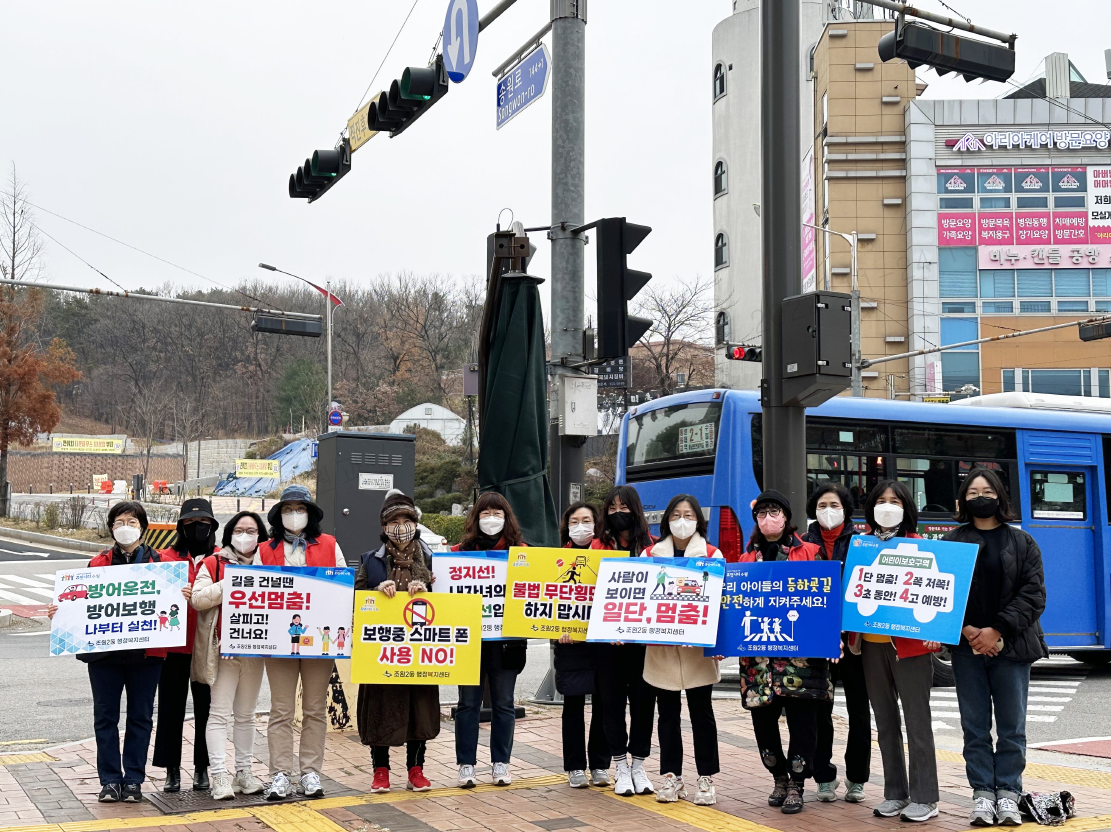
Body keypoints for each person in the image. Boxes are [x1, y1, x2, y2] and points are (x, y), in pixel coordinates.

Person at [943, 468, 1047, 828]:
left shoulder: (1022, 543)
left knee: (1012, 728)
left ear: (1001, 496)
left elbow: (1033, 595)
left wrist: (996, 630)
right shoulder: (952, 541)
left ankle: (1009, 793)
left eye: (986, 490)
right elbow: (941, 595)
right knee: (974, 727)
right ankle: (983, 795)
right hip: (965, 647)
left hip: (1012, 647)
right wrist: (969, 630)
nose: (980, 497)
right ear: (962, 500)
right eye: (972, 492)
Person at [47, 502, 165, 804]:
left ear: (142, 526)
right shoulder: (97, 564)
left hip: (146, 654)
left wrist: (184, 595)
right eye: (118, 522)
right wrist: (60, 613)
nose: (125, 526)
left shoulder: (161, 563)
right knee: (105, 718)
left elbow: (172, 606)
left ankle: (134, 780)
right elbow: (80, 607)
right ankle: (110, 781)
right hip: (104, 656)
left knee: (141, 718)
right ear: (111, 527)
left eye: (132, 521)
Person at [738, 490, 828, 815]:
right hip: (759, 661)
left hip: (800, 658)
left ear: (786, 517)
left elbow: (824, 603)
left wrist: (831, 640)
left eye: (773, 512)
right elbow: (734, 607)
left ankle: (797, 783)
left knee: (803, 722)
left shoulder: (810, 553)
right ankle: (778, 776)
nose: (767, 519)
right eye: (761, 514)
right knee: (763, 721)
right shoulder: (746, 559)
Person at [857, 480, 941, 823]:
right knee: (886, 722)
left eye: (895, 501)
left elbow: (938, 595)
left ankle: (926, 796)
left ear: (907, 508)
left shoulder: (921, 548)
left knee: (917, 722)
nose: (887, 506)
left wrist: (936, 632)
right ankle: (896, 792)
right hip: (870, 647)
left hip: (910, 648)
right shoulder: (861, 546)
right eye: (881, 500)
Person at [260, 484, 347, 801]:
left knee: (314, 709)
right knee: (280, 709)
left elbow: (342, 588)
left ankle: (311, 772)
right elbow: (255, 592)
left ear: (310, 513)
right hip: (278, 642)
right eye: (287, 509)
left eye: (299, 508)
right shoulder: (265, 549)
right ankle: (279, 774)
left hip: (319, 642)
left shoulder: (330, 544)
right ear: (278, 514)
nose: (293, 514)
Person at [355, 491, 439, 793]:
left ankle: (416, 769)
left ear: (415, 523)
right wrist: (376, 592)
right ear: (384, 525)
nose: (401, 526)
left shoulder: (431, 560)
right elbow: (355, 602)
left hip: (421, 651)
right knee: (380, 709)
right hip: (383, 653)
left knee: (420, 709)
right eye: (394, 520)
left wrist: (427, 590)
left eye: (406, 520)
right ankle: (380, 770)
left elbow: (450, 606)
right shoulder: (370, 561)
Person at [642, 494, 722, 807]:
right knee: (668, 716)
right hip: (661, 651)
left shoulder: (712, 554)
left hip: (697, 653)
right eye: (676, 513)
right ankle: (671, 777)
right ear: (667, 519)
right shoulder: (650, 554)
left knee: (702, 715)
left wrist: (717, 643)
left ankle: (706, 778)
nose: (682, 519)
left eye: (688, 514)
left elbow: (723, 603)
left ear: (698, 520)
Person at [190, 511, 270, 800]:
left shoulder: (270, 564)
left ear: (260, 535)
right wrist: (234, 582)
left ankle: (244, 772)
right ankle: (219, 775)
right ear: (230, 533)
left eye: (251, 530)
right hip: (222, 651)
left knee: (246, 715)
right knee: (219, 714)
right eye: (240, 529)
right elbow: (197, 599)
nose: (245, 535)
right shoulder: (212, 563)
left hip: (256, 650)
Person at [452, 492, 528, 788]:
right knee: (467, 703)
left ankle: (501, 763)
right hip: (468, 641)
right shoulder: (458, 552)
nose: (491, 519)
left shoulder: (522, 553)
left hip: (507, 641)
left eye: (498, 513)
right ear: (475, 518)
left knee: (504, 703)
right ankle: (466, 765)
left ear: (507, 518)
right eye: (485, 513)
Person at [800, 483, 870, 805]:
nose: (828, 510)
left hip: (854, 640)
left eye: (835, 504)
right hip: (818, 639)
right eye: (822, 504)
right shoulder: (802, 545)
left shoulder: (863, 543)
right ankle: (823, 776)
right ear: (814, 509)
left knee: (858, 710)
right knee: (819, 711)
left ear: (845, 508)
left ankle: (857, 778)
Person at [592, 485, 657, 798]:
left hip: (645, 645)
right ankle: (619, 765)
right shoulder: (596, 548)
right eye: (612, 508)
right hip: (608, 645)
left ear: (636, 510)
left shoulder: (655, 549)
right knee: (612, 705)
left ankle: (639, 764)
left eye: (624, 507)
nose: (618, 513)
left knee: (645, 705)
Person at [153, 498, 217, 793]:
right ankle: (171, 769)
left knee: (207, 708)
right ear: (180, 527)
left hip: (208, 646)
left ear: (212, 525)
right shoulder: (163, 558)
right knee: (170, 708)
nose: (196, 528)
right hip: (173, 646)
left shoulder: (220, 559)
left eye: (202, 522)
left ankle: (203, 768)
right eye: (189, 523)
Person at [556, 501, 611, 789]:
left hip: (603, 643)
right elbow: (544, 605)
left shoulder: (611, 555)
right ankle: (575, 766)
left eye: (586, 520)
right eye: (574, 521)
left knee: (604, 703)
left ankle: (601, 764)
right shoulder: (555, 559)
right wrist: (557, 630)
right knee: (573, 704)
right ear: (567, 526)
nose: (581, 526)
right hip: (571, 644)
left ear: (596, 523)